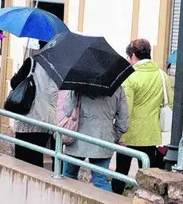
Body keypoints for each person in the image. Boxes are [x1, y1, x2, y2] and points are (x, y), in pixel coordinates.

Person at [115, 38, 169, 192]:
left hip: (129, 133)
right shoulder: (162, 75)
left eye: (129, 57)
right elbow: (169, 102)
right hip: (151, 133)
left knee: (121, 172)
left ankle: (116, 197)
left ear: (133, 56)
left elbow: (125, 109)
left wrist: (120, 134)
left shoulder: (130, 76)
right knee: (148, 176)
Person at [58, 85, 130, 192]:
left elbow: (68, 111)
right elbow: (123, 124)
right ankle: (107, 203)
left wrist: (73, 93)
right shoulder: (117, 88)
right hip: (103, 140)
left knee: (68, 176)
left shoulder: (78, 84)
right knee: (101, 181)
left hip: (77, 139)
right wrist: (113, 136)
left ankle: (66, 201)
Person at [11, 40, 61, 168]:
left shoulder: (31, 62)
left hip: (27, 117)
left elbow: (14, 83)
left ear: (40, 45)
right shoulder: (58, 68)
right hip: (45, 120)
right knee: (37, 159)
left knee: (22, 160)